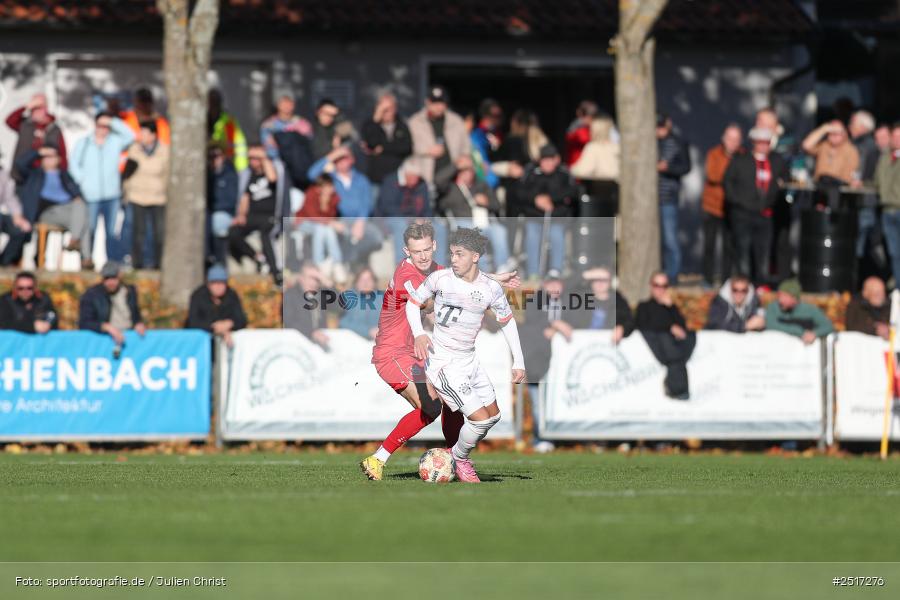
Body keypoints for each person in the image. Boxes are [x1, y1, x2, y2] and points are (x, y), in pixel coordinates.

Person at [359, 222, 520, 481]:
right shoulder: (406, 276)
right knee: (432, 407)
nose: (422, 256)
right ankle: (378, 458)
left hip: (416, 352)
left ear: (434, 246)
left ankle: (455, 459)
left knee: (450, 400)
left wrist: (494, 278)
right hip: (393, 353)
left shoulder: (435, 269)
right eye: (416, 251)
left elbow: (465, 274)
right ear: (406, 251)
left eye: (426, 250)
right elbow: (430, 302)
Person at [404, 228, 526, 483]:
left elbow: (507, 320)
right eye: (452, 254)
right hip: (444, 363)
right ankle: (458, 458)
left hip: (470, 360)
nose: (453, 259)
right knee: (479, 420)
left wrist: (519, 361)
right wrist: (418, 334)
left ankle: (455, 456)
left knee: (494, 416)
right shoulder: (440, 279)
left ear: (475, 256)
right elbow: (412, 303)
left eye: (459, 254)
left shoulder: (491, 288)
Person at [723, 127, 788, 286]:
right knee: (743, 250)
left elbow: (784, 179)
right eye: (760, 143)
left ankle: (761, 283)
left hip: (765, 213)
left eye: (766, 143)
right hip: (743, 213)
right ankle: (744, 284)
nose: (763, 146)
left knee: (763, 250)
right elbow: (728, 183)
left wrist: (775, 195)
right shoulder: (741, 160)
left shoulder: (776, 161)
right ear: (754, 143)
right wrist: (738, 202)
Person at [70, 111, 136, 263]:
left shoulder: (115, 141)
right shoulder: (84, 142)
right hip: (91, 195)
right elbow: (73, 164)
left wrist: (113, 122)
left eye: (107, 126)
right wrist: (83, 180)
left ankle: (112, 264)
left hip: (112, 195)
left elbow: (131, 136)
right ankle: (87, 260)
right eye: (101, 125)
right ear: (95, 125)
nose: (103, 129)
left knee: (111, 232)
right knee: (90, 230)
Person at [518, 274, 571, 453]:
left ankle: (557, 436)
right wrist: (555, 324)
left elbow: (577, 321)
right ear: (544, 284)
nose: (555, 287)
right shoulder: (535, 301)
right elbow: (532, 323)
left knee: (555, 401)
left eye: (558, 283)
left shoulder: (568, 302)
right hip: (537, 362)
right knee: (538, 402)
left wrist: (557, 326)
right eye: (551, 283)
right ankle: (540, 437)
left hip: (561, 365)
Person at [14, 145, 90, 268]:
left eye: (52, 157)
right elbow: (20, 164)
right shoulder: (35, 174)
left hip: (66, 209)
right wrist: (38, 152)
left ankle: (76, 243)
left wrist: (77, 196)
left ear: (59, 159)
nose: (49, 160)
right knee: (84, 219)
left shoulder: (64, 175)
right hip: (46, 211)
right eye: (46, 157)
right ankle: (85, 255)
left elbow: (76, 192)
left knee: (82, 209)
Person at [307, 145, 382, 266]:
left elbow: (366, 203)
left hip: (361, 221)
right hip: (340, 220)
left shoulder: (362, 180)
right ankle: (349, 265)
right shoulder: (331, 179)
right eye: (338, 159)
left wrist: (361, 222)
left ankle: (355, 264)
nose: (340, 162)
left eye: (344, 158)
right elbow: (311, 174)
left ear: (352, 159)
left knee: (376, 238)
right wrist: (333, 155)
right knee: (345, 236)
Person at [436, 155, 512, 272]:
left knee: (500, 231)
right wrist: (455, 165)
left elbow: (497, 205)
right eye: (464, 171)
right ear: (458, 173)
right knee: (472, 232)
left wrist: (487, 202)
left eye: (470, 170)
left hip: (484, 222)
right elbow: (438, 181)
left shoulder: (482, 185)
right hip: (462, 222)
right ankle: (484, 269)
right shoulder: (451, 187)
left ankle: (502, 266)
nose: (467, 174)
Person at [515, 144, 577, 279]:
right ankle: (533, 272)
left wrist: (551, 199)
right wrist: (536, 199)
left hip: (556, 217)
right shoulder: (531, 173)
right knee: (532, 235)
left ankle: (555, 271)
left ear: (556, 160)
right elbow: (519, 192)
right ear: (540, 160)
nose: (548, 163)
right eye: (545, 160)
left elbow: (572, 191)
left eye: (551, 159)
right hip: (534, 217)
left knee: (556, 234)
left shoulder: (563, 174)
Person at [635, 271, 696, 400]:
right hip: (660, 344)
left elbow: (682, 327)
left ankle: (676, 387)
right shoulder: (644, 306)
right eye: (657, 285)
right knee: (666, 340)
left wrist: (671, 308)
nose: (660, 289)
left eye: (664, 286)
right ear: (651, 286)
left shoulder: (671, 307)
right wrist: (669, 327)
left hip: (675, 349)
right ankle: (678, 389)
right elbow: (646, 324)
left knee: (690, 336)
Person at [229, 144, 284, 285]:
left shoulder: (273, 170)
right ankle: (258, 258)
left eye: (256, 158)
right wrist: (241, 215)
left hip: (271, 216)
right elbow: (245, 197)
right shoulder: (248, 174)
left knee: (266, 236)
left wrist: (264, 158)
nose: (253, 161)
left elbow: (272, 178)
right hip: (252, 216)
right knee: (233, 232)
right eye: (250, 158)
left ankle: (276, 273)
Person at [123, 120, 169, 269]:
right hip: (137, 197)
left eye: (145, 132)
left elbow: (167, 176)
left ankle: (159, 265)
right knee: (138, 234)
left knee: (159, 234)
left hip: (158, 198)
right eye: (140, 132)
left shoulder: (165, 151)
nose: (141, 135)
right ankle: (137, 264)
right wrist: (126, 192)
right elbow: (127, 173)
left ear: (153, 135)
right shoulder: (134, 149)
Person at [701, 124, 742, 287]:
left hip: (732, 209)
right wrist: (733, 177)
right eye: (730, 139)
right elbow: (713, 174)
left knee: (729, 247)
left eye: (736, 140)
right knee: (709, 245)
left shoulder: (742, 156)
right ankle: (707, 278)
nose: (732, 143)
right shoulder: (713, 154)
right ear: (724, 139)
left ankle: (726, 280)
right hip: (712, 206)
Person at [408, 86, 471, 187]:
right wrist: (427, 150)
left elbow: (466, 147)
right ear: (427, 102)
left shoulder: (456, 121)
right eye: (434, 102)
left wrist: (464, 161)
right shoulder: (415, 122)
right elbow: (407, 148)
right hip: (425, 177)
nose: (438, 106)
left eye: (441, 102)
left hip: (452, 177)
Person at [78, 261, 146, 349]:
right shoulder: (92, 295)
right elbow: (84, 323)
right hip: (103, 341)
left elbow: (136, 315)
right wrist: (106, 327)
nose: (110, 282)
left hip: (129, 338)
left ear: (119, 276)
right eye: (107, 278)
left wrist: (138, 323)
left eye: (113, 278)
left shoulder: (130, 292)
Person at [656, 114, 692, 283]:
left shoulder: (677, 142)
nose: (659, 130)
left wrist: (667, 168)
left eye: (661, 126)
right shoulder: (651, 141)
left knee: (670, 238)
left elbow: (686, 167)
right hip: (649, 201)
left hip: (668, 197)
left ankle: (672, 276)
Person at [360, 91, 412, 206]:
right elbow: (372, 142)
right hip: (376, 180)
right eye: (384, 109)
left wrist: (383, 148)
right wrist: (376, 120)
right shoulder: (370, 125)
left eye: (390, 108)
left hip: (396, 180)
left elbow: (406, 147)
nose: (387, 112)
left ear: (395, 108)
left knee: (395, 214)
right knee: (373, 213)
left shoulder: (402, 125)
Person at [293, 174, 346, 283]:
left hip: (322, 226)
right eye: (327, 186)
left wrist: (325, 203)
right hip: (304, 223)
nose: (331, 189)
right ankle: (321, 264)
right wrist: (331, 222)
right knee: (322, 228)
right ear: (320, 187)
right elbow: (312, 215)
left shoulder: (334, 197)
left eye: (331, 186)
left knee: (326, 229)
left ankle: (335, 264)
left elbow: (330, 216)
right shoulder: (311, 193)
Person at [5, 93, 67, 181]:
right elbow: (9, 121)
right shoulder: (25, 124)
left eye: (39, 107)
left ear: (46, 108)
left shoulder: (54, 129)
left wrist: (63, 177)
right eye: (33, 108)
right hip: (21, 175)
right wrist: (26, 106)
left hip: (44, 177)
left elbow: (62, 154)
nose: (36, 111)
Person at [186, 264, 247, 348]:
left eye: (221, 283)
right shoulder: (198, 296)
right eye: (214, 283)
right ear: (208, 284)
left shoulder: (231, 295)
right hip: (200, 344)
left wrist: (230, 323)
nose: (218, 287)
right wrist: (214, 327)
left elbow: (241, 319)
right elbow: (193, 321)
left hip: (226, 341)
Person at [566, 266, 634, 342]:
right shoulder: (581, 297)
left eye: (604, 280)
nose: (600, 283)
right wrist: (587, 274)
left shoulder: (618, 300)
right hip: (580, 342)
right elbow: (563, 288)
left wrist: (622, 328)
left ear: (610, 282)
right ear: (591, 281)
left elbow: (629, 321)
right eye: (597, 279)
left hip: (606, 345)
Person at [849, 110, 881, 263]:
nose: (850, 127)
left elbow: (864, 174)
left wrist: (860, 181)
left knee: (862, 243)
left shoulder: (866, 147)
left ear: (862, 127)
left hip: (865, 200)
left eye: (853, 124)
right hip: (862, 200)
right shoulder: (864, 145)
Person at [764, 278, 834, 345]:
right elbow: (770, 324)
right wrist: (799, 332)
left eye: (785, 296)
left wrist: (814, 333)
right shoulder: (773, 307)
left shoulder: (810, 310)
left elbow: (828, 326)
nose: (780, 300)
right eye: (779, 296)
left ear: (794, 298)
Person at [282, 260, 330, 348]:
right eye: (310, 278)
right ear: (301, 278)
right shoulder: (290, 295)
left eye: (317, 279)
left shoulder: (322, 295)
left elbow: (341, 307)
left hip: (321, 344)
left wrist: (328, 283)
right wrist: (312, 333)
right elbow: (289, 321)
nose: (314, 282)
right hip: (297, 343)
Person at [207, 143, 240, 267]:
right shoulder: (207, 174)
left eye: (217, 156)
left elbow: (230, 200)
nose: (214, 159)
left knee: (217, 222)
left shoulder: (230, 174)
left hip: (225, 211)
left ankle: (219, 262)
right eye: (211, 156)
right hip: (210, 211)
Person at [876, 122, 900, 287]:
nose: (897, 139)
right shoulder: (885, 156)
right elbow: (878, 180)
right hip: (887, 209)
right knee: (894, 253)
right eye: (895, 136)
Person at [802, 120, 860, 186]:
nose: (834, 136)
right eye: (831, 133)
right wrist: (824, 129)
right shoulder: (824, 145)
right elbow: (806, 146)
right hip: (819, 186)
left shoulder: (851, 150)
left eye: (837, 133)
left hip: (838, 188)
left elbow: (849, 176)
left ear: (844, 133)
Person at [259, 94, 312, 161]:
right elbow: (270, 149)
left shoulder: (303, 124)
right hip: (276, 160)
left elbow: (309, 145)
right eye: (283, 103)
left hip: (298, 160)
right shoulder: (268, 125)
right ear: (278, 105)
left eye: (289, 103)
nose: (286, 106)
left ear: (293, 105)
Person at [208, 89, 247, 172]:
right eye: (211, 103)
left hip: (233, 164)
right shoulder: (207, 120)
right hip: (218, 162)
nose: (213, 106)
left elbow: (227, 144)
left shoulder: (227, 121)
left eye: (215, 103)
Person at [338, 266, 383, 340]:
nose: (365, 283)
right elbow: (343, 322)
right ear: (356, 282)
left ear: (374, 282)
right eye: (361, 280)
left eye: (369, 279)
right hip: (355, 341)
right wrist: (368, 331)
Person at [0, 162, 31, 266]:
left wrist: (17, 216)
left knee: (20, 230)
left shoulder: (3, 174)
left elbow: (10, 198)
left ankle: (4, 263)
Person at [470, 98, 503, 188]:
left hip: (499, 180)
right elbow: (481, 164)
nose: (498, 119)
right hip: (488, 182)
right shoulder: (477, 135)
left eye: (499, 115)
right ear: (486, 116)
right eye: (495, 115)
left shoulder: (498, 133)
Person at [845, 276, 891, 340]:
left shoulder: (890, 304)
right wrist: (876, 328)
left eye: (882, 292)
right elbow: (852, 327)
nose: (881, 296)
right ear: (865, 293)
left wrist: (889, 329)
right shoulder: (855, 306)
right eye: (876, 293)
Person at [565, 100, 599, 166]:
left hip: (585, 165)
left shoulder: (583, 127)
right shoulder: (578, 129)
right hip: (579, 166)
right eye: (590, 116)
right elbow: (585, 140)